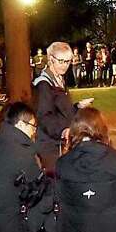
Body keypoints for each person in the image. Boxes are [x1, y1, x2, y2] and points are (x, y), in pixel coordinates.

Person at [0, 102, 50, 232]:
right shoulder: (23, 152)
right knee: (48, 200)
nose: (34, 131)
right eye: (33, 126)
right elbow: (38, 187)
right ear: (21, 125)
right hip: (10, 218)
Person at [33, 42, 93, 171]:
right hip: (50, 143)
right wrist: (62, 131)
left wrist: (77, 106)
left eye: (67, 61)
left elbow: (61, 110)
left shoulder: (59, 79)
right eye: (61, 61)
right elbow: (44, 116)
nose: (65, 65)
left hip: (62, 141)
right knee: (55, 180)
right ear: (51, 59)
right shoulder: (44, 84)